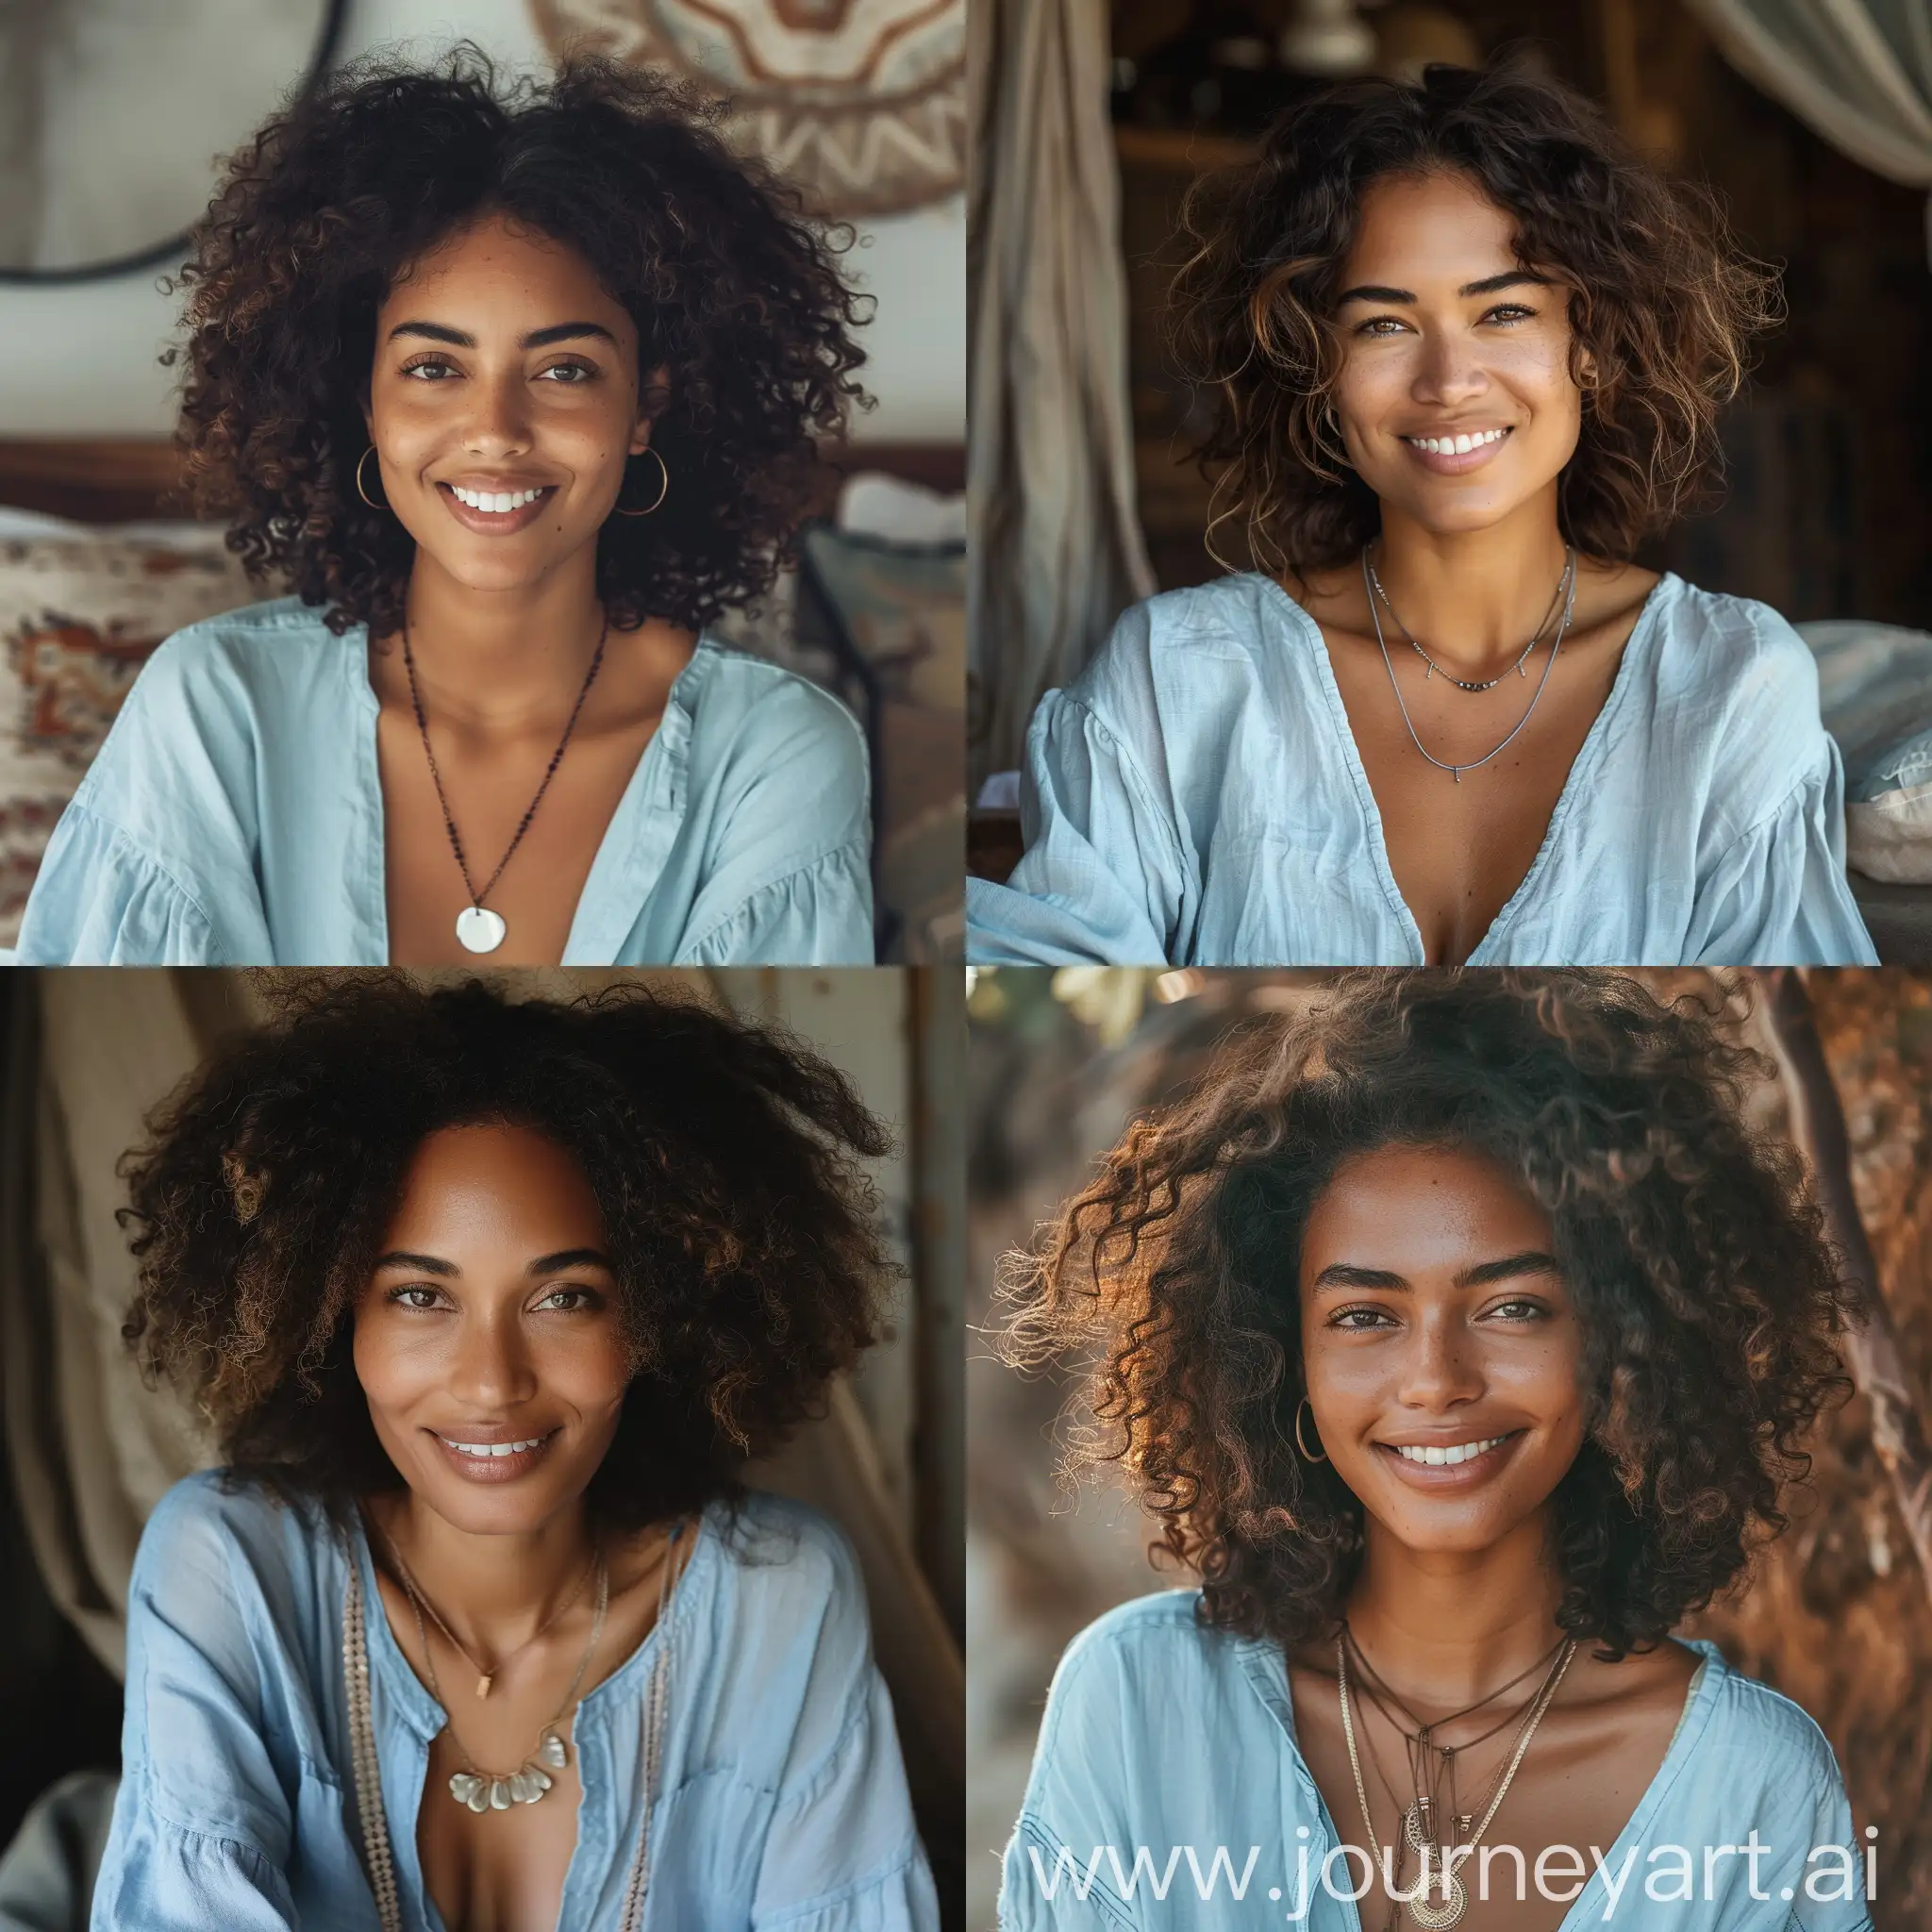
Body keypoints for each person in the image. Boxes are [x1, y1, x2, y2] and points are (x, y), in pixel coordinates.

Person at [995, 972, 1872, 1930]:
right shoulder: (1141, 1706)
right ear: (1282, 1359)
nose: (1434, 1378)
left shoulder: (1751, 1788)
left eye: (1510, 1306)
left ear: (1625, 1340)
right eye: (1364, 1314)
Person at [967, 64, 1876, 969]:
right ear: (1313, 368)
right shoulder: (1175, 683)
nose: (1448, 382)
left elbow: (1770, 1062)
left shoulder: (1728, 685)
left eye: (1504, 312)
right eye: (1384, 326)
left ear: (1593, 345)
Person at [92, 976, 938, 1931]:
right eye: (420, 1295)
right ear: (330, 1319)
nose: (491, 1382)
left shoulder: (777, 1594)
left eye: (565, 1296)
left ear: (661, 1318)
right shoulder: (232, 1565)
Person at [19, 48, 874, 968]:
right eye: (435, 368)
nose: (495, 431)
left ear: (645, 408)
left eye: (563, 370)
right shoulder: (214, 710)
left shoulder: (774, 758)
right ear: (365, 399)